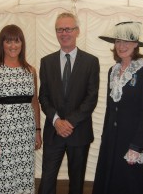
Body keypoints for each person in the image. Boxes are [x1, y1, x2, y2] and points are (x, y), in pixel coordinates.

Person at [92, 21, 143, 194]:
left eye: (127, 41)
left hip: (131, 142)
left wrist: (137, 146)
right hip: (111, 141)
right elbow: (109, 108)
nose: (121, 46)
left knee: (129, 186)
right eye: (118, 41)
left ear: (136, 44)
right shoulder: (112, 71)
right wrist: (105, 137)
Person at [38, 12, 100, 194]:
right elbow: (44, 97)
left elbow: (91, 98)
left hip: (79, 132)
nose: (64, 33)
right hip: (53, 132)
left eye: (68, 29)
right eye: (59, 30)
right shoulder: (46, 62)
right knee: (47, 181)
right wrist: (57, 121)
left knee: (77, 184)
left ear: (77, 31)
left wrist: (70, 122)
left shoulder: (91, 62)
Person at [0, 24, 42, 194]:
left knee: (25, 177)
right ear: (2, 44)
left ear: (22, 44)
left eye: (17, 41)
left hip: (25, 133)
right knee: (4, 178)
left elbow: (34, 102)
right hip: (2, 135)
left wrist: (38, 131)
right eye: (8, 41)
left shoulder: (31, 71)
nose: (13, 46)